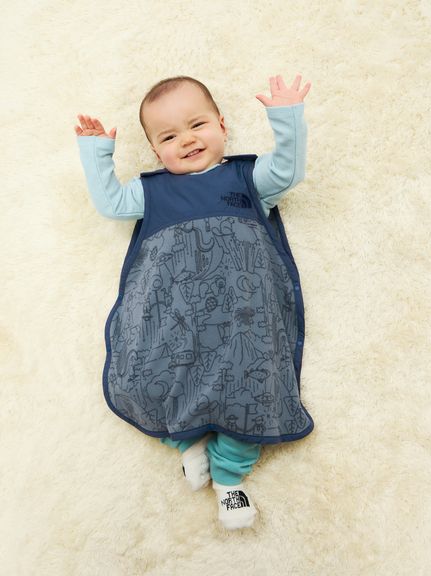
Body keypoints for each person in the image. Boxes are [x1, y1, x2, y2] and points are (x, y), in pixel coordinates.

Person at [75, 74, 314, 530]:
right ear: (155, 151)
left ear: (222, 126)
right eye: (168, 137)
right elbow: (110, 203)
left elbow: (289, 170)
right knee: (143, 379)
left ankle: (229, 479)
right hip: (176, 322)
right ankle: (187, 442)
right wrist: (97, 152)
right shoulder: (152, 191)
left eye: (197, 125)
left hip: (245, 324)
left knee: (256, 388)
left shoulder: (248, 179)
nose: (186, 140)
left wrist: (287, 117)